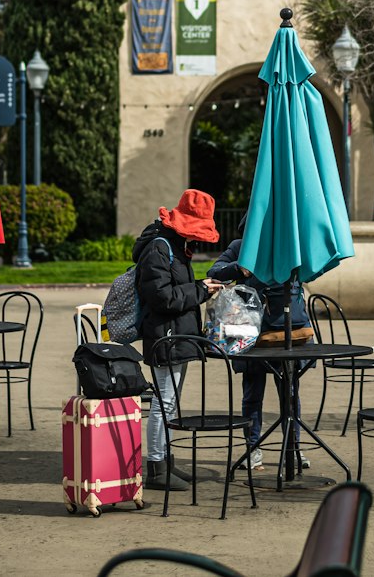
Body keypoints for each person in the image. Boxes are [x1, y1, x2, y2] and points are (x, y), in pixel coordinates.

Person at [133, 189, 223, 492]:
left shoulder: (171, 245)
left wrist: (199, 288)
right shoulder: (159, 248)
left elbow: (171, 292)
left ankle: (166, 461)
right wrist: (200, 290)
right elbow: (161, 297)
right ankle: (157, 468)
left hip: (174, 334)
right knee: (163, 402)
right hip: (164, 335)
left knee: (169, 403)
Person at [208, 214, 312, 471]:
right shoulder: (239, 247)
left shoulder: (289, 246)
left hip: (288, 331)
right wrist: (238, 267)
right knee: (253, 392)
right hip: (249, 331)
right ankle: (253, 449)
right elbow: (214, 272)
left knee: (289, 394)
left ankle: (293, 448)